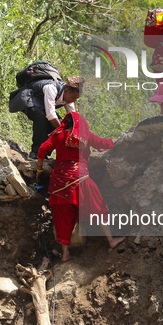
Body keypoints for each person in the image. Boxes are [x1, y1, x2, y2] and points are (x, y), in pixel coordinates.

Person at [36, 112, 125, 262]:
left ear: (66, 122)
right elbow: (106, 144)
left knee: (63, 217)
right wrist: (124, 139)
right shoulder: (86, 136)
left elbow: (42, 150)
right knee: (98, 207)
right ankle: (111, 240)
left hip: (59, 181)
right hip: (81, 178)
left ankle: (65, 253)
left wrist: (39, 169)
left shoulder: (58, 135)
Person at [26, 76, 84, 159]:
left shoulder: (68, 97)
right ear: (67, 91)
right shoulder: (51, 88)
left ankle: (44, 154)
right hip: (28, 101)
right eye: (73, 98)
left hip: (42, 107)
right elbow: (51, 116)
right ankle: (35, 153)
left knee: (63, 124)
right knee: (42, 118)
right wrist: (63, 133)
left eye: (76, 99)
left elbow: (73, 118)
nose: (74, 101)